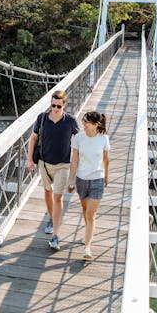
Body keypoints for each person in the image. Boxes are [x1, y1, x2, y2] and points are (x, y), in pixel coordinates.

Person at [26, 89, 79, 251]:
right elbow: (33, 138)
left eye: (58, 106)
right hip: (44, 163)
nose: (55, 109)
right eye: (53, 105)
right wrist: (29, 160)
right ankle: (51, 217)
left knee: (58, 197)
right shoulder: (42, 118)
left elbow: (78, 143)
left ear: (64, 105)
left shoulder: (70, 121)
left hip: (63, 164)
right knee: (47, 193)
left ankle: (56, 235)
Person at [67, 110, 109, 261]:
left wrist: (106, 177)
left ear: (95, 124)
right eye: (83, 121)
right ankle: (88, 233)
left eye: (86, 122)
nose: (83, 124)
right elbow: (74, 161)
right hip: (81, 179)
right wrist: (71, 180)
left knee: (91, 215)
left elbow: (106, 160)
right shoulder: (78, 138)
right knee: (85, 210)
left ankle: (87, 247)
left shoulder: (103, 139)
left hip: (97, 179)